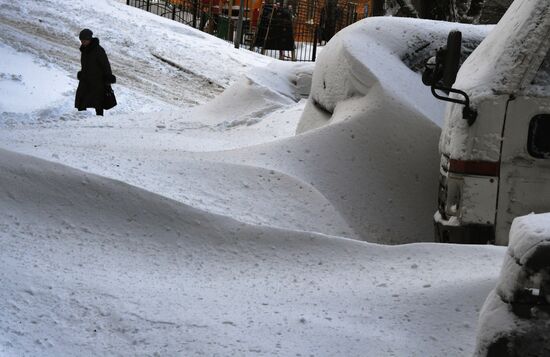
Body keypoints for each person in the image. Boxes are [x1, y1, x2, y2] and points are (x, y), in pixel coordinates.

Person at [75, 29, 116, 116]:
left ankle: (99, 118)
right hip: (86, 79)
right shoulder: (84, 50)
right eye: (81, 40)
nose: (83, 42)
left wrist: (108, 77)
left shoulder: (98, 50)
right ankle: (81, 117)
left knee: (98, 100)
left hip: (97, 80)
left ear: (89, 39)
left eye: (84, 40)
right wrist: (82, 73)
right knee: (81, 98)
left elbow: (105, 64)